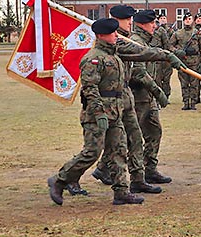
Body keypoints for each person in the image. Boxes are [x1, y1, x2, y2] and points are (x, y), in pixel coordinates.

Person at [47, 18, 144, 206]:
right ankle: (59, 180)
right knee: (92, 152)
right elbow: (90, 89)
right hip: (96, 114)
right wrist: (99, 113)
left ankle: (121, 191)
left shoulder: (114, 57)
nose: (116, 36)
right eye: (112, 33)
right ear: (101, 35)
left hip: (115, 112)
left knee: (119, 150)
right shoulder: (93, 58)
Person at [91, 5, 185, 193]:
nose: (130, 23)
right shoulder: (121, 41)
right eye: (128, 20)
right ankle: (94, 171)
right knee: (125, 138)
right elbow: (139, 66)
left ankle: (142, 175)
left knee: (142, 134)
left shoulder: (129, 39)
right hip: (131, 95)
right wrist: (166, 59)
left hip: (136, 96)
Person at [129, 10, 178, 186]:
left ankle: (149, 169)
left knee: (154, 132)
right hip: (138, 96)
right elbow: (138, 73)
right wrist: (158, 91)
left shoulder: (146, 41)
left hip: (148, 96)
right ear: (142, 24)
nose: (155, 27)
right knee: (132, 137)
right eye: (152, 23)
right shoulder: (135, 42)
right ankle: (106, 168)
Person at [170, 12, 201, 110]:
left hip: (195, 62)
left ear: (192, 21)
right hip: (182, 62)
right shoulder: (177, 33)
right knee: (184, 84)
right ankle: (186, 102)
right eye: (186, 19)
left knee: (194, 84)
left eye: (189, 19)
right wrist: (177, 52)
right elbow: (169, 46)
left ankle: (193, 103)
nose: (188, 21)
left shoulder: (198, 33)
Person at [153, 13, 173, 100]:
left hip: (164, 57)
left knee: (166, 79)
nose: (163, 20)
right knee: (157, 78)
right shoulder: (153, 30)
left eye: (164, 18)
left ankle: (166, 95)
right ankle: (159, 96)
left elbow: (167, 44)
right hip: (155, 58)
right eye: (161, 18)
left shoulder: (165, 30)